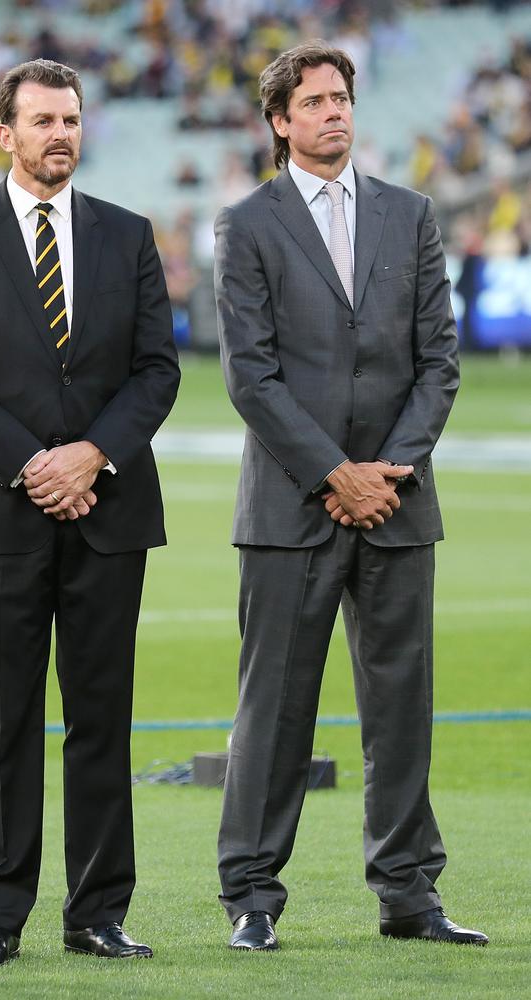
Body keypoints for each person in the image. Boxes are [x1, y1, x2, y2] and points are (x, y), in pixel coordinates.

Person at [213, 41, 488, 951]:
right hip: (294, 508)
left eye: (342, 97)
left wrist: (391, 471)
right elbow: (251, 376)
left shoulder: (410, 215)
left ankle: (410, 896)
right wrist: (337, 473)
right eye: (315, 101)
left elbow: (439, 364)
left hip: (400, 506)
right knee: (275, 709)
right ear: (281, 121)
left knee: (401, 709)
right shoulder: (247, 223)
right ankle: (252, 896)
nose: (334, 112)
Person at [0, 58, 180, 965]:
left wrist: (91, 455)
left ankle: (98, 913)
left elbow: (158, 370)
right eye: (41, 121)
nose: (58, 133)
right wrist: (34, 463)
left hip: (110, 509)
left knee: (103, 717)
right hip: (1, 514)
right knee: (4, 722)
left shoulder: (129, 235)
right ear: (6, 133)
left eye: (70, 119)